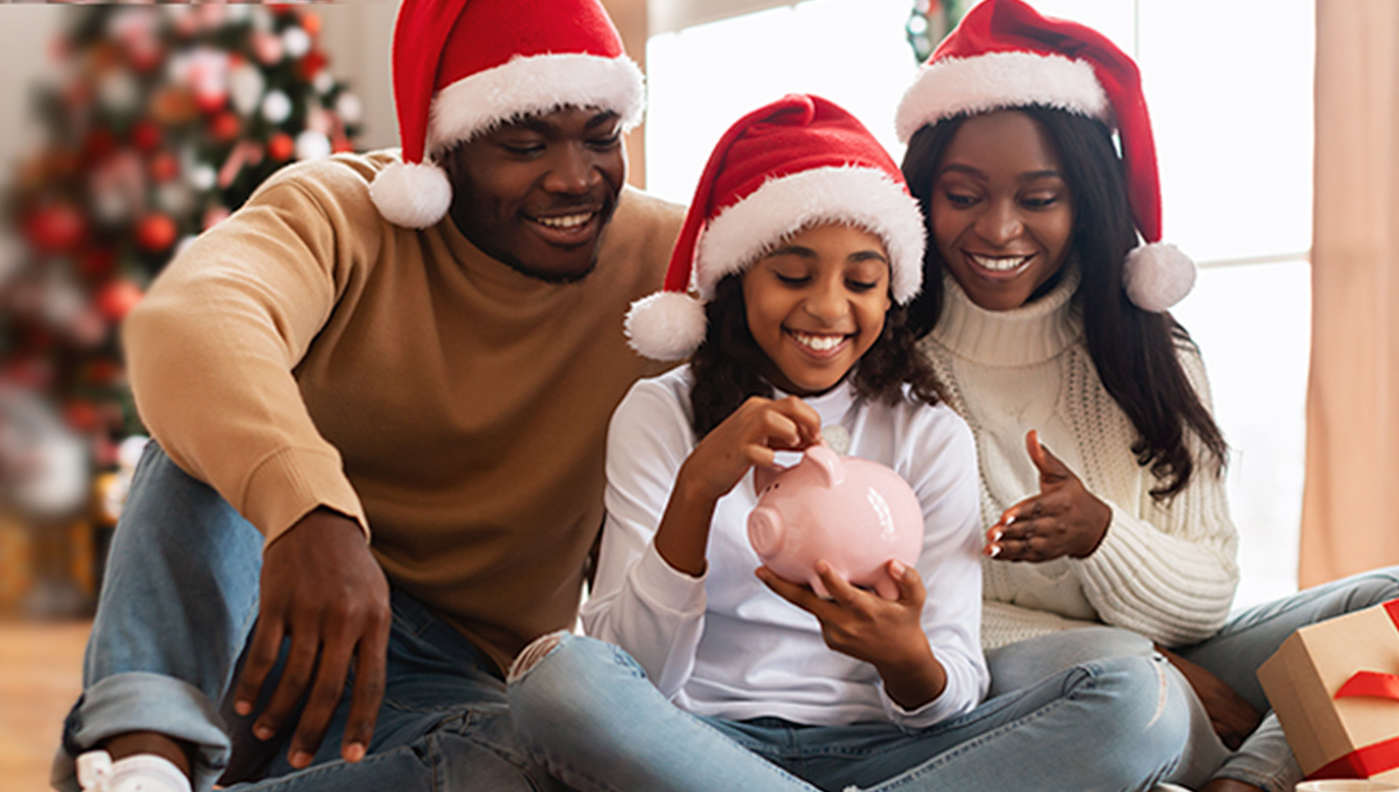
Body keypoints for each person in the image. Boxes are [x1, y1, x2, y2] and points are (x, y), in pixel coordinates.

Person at [51, 0, 685, 790]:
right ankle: (147, 755)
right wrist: (309, 510)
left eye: (601, 136)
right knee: (198, 450)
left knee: (517, 767)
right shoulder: (339, 210)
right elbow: (187, 320)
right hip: (254, 610)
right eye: (524, 145)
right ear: (443, 151)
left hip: (439, 681)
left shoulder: (663, 263)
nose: (573, 177)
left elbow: (832, 295)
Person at [504, 94, 1196, 792]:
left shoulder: (927, 431)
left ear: (890, 289)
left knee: (1141, 700)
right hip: (697, 745)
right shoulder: (660, 413)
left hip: (885, 753)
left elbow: (952, 688)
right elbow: (630, 672)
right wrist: (695, 489)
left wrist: (904, 656)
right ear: (738, 274)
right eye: (793, 275)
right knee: (557, 676)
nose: (829, 308)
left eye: (861, 280)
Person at [891, 3, 1399, 792]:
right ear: (923, 193)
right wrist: (1157, 666)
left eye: (1038, 198)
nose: (1000, 228)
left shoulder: (1153, 351)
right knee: (1133, 692)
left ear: (1083, 199)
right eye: (963, 193)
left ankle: (1240, 782)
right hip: (1042, 682)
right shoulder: (889, 361)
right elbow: (914, 614)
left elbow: (1207, 594)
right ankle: (1224, 746)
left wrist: (1100, 535)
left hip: (1173, 659)